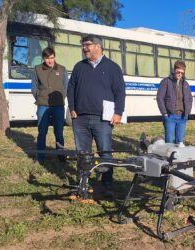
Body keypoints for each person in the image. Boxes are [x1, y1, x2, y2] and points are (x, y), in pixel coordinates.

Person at [67, 35, 125, 196]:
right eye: (83, 45)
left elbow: (120, 92)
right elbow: (71, 88)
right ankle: (83, 183)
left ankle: (107, 184)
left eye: (87, 45)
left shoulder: (113, 67)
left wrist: (118, 113)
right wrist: (72, 107)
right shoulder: (79, 67)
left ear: (98, 46)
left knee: (105, 152)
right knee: (82, 153)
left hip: (103, 120)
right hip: (81, 119)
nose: (84, 48)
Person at [31, 47, 68, 163]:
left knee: (59, 131)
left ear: (54, 57)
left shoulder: (62, 69)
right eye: (47, 58)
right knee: (42, 131)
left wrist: (61, 97)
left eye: (52, 58)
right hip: (43, 105)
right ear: (43, 58)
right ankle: (40, 157)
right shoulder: (37, 69)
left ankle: (61, 156)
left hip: (58, 106)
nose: (50, 61)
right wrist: (39, 97)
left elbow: (66, 86)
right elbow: (34, 87)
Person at [157, 60, 192, 145]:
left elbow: (190, 99)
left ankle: (177, 158)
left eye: (182, 73)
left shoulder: (185, 83)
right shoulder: (166, 81)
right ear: (174, 70)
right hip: (170, 116)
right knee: (170, 141)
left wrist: (187, 112)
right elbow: (160, 98)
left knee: (180, 142)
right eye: (178, 72)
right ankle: (169, 158)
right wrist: (164, 113)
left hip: (182, 117)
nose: (180, 74)